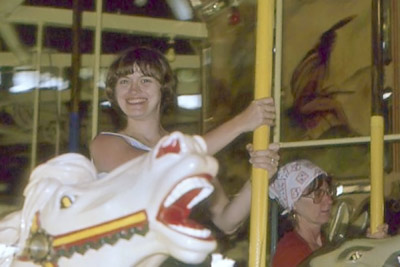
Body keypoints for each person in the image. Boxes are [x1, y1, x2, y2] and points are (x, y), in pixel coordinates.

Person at [90, 46, 280, 234]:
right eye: (124, 81)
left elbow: (226, 221)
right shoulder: (106, 144)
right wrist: (241, 122)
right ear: (114, 91)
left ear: (163, 88)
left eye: (145, 80)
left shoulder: (189, 153)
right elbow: (162, 167)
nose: (134, 90)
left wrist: (256, 178)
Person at [269, 159, 388, 267]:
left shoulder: (327, 242)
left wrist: (372, 247)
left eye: (328, 192)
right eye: (317, 194)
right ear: (294, 203)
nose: (329, 200)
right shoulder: (290, 251)